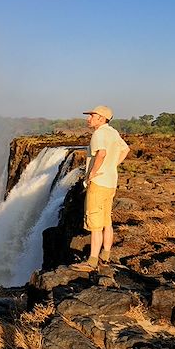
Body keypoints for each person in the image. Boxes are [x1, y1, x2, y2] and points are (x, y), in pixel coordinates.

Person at [70, 105, 130, 272]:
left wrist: (91, 175)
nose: (88, 118)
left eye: (91, 115)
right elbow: (126, 150)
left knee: (95, 224)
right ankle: (105, 256)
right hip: (110, 182)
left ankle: (91, 262)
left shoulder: (99, 133)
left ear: (101, 119)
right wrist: (113, 165)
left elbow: (101, 153)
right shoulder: (113, 132)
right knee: (106, 222)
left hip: (98, 183)